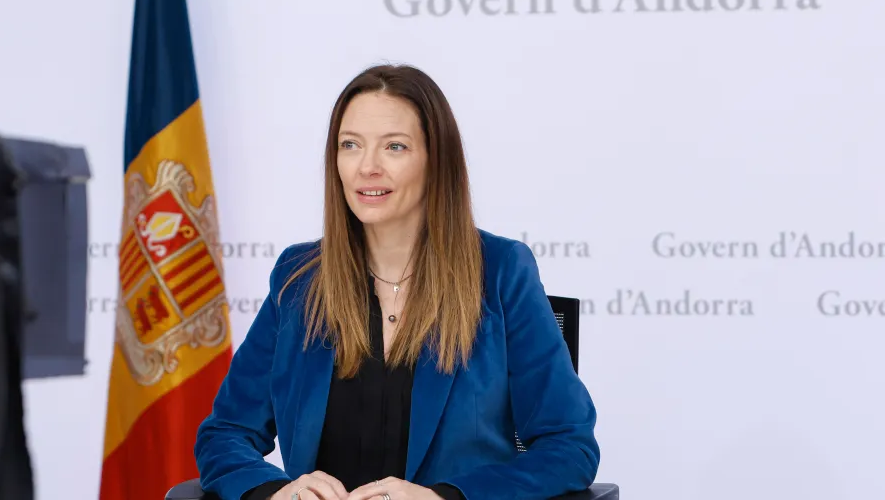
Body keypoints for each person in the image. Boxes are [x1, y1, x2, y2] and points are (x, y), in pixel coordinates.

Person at [195, 64, 600, 500]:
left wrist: (444, 498)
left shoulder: (502, 270)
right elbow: (225, 434)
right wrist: (275, 492)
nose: (367, 167)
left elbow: (568, 446)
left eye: (394, 147)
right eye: (350, 145)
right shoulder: (300, 278)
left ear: (435, 160)